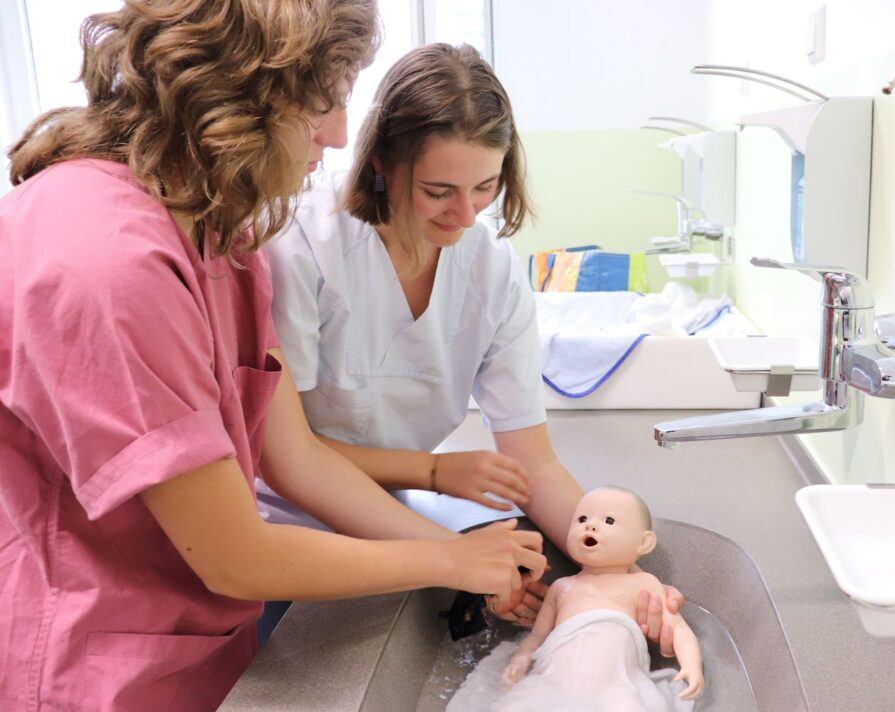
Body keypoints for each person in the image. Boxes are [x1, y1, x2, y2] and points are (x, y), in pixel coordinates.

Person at [0, 2, 547, 709]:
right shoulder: (105, 261)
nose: (340, 132)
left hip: (199, 649)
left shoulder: (222, 240)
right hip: (100, 664)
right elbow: (236, 555)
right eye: (324, 102)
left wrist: (468, 562)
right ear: (238, 94)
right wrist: (446, 557)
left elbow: (297, 459)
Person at [260, 41, 587, 626]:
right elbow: (287, 456)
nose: (466, 215)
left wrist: (606, 556)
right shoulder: (302, 245)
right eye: (438, 192)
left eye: (485, 187)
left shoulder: (492, 268)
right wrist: (438, 495)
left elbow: (532, 465)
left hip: (396, 522)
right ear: (382, 161)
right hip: (288, 532)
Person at [447, 487, 704, 711]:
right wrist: (521, 658)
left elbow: (678, 628)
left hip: (613, 683)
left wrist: (692, 665)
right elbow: (538, 636)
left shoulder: (643, 583)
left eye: (609, 521)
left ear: (644, 542)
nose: (590, 525)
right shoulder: (562, 587)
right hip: (555, 678)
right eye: (581, 518)